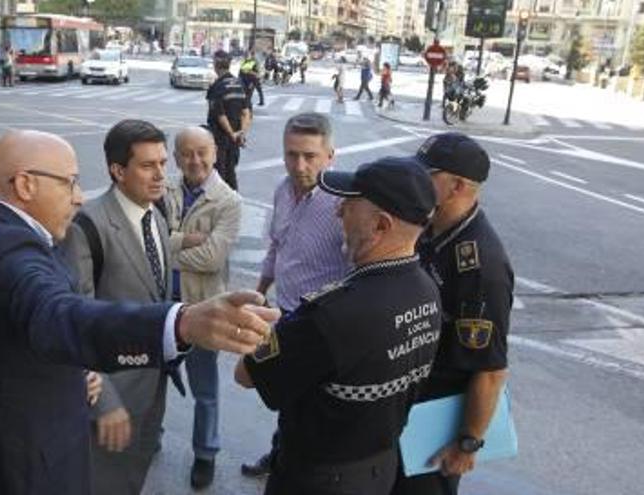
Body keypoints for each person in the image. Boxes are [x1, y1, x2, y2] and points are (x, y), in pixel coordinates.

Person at [0, 129, 278, 495]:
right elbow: (61, 314)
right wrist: (181, 322)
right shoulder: (11, 252)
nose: (79, 197)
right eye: (70, 183)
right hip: (19, 467)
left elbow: (6, 333)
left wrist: (72, 373)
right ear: (25, 185)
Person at [235, 156, 442, 495]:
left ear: (381, 225)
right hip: (380, 468)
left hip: (317, 479)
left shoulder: (332, 314)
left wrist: (262, 330)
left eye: (350, 204)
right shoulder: (426, 288)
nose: (338, 212)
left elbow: (246, 374)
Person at [58, 119, 178, 495]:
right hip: (112, 395)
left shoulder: (155, 215)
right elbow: (76, 320)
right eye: (148, 165)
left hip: (152, 384)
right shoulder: (88, 225)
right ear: (117, 170)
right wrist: (104, 400)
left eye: (163, 162)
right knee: (103, 482)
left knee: (133, 476)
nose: (160, 174)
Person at [390, 133, 513, 495]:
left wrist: (468, 443)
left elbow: (489, 370)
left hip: (434, 423)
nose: (416, 182)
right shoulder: (430, 227)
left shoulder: (480, 265)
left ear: (457, 186)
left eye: (426, 175)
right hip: (406, 404)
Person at [241, 112, 349, 477]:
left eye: (309, 156)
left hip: (322, 323)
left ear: (330, 156)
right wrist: (258, 292)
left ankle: (304, 467)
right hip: (284, 312)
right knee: (288, 396)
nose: (299, 165)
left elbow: (358, 268)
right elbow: (277, 245)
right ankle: (281, 455)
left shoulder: (343, 205)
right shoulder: (282, 191)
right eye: (291, 154)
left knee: (315, 402)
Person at [164, 127, 243, 489]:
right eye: (186, 153)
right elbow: (145, 240)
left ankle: (205, 454)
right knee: (151, 380)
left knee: (205, 391)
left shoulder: (228, 201)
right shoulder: (163, 190)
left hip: (202, 310)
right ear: (176, 157)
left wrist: (167, 250)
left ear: (214, 153)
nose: (194, 160)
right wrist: (182, 241)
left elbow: (212, 258)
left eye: (201, 152)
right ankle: (151, 435)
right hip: (162, 308)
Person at [205, 50, 251, 191]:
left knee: (219, 174)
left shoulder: (217, 86)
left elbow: (220, 115)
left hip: (220, 138)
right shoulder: (239, 84)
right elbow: (246, 112)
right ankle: (233, 202)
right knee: (231, 172)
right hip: (235, 139)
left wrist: (231, 134)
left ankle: (222, 205)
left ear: (215, 65)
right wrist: (241, 134)